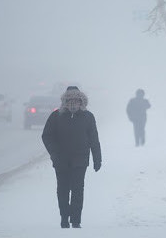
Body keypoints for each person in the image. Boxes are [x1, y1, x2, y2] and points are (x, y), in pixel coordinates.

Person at [42, 86, 102, 229]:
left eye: (76, 101)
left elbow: (94, 139)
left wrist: (97, 158)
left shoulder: (88, 117)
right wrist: (54, 154)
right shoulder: (56, 116)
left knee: (77, 190)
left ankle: (76, 221)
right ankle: (64, 218)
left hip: (80, 161)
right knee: (62, 190)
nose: (73, 104)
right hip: (61, 160)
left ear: (82, 101)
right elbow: (46, 136)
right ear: (64, 102)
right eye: (69, 101)